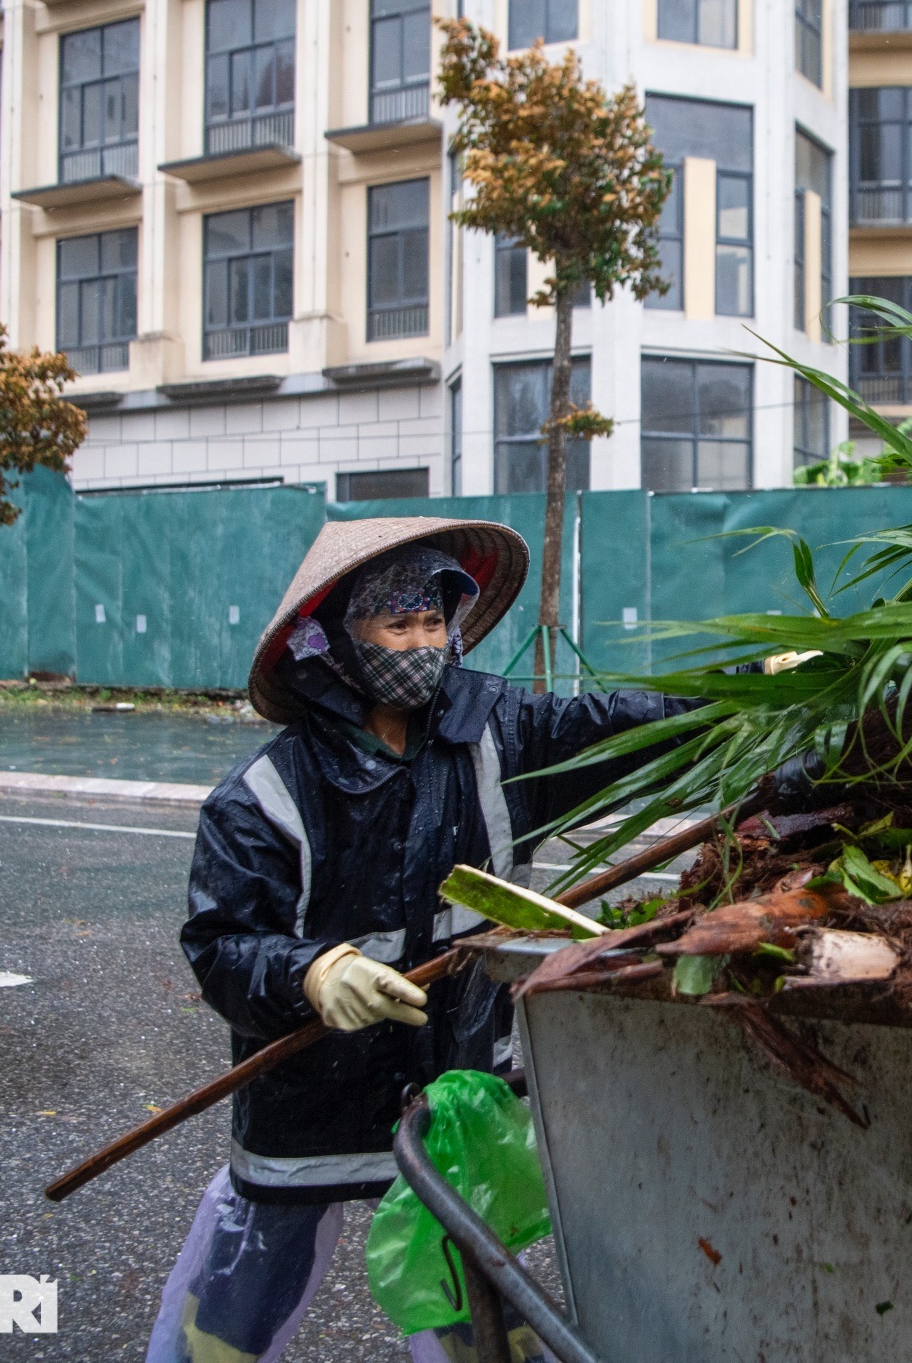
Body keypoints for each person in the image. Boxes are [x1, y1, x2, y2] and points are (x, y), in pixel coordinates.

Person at [148, 518, 693, 1363]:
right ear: (337, 638)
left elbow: (617, 725)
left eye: (433, 623)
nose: (421, 642)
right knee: (235, 1309)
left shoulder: (497, 736)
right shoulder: (263, 794)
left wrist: (738, 701)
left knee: (472, 1301)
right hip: (310, 1098)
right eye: (396, 626)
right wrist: (313, 973)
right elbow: (222, 945)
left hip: (450, 1085)